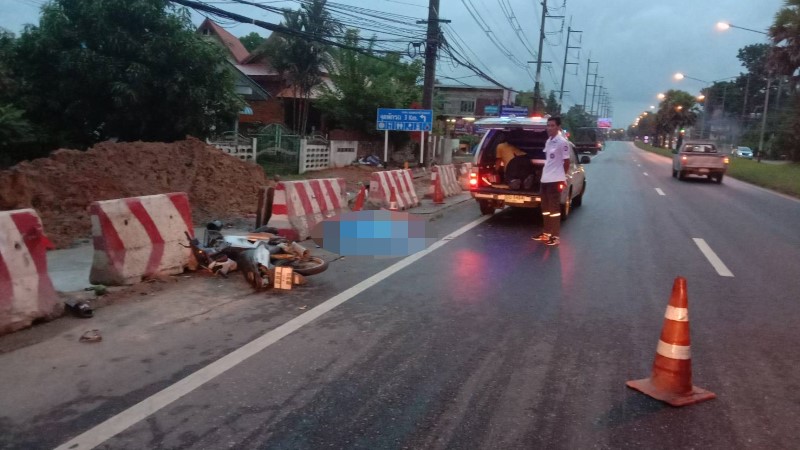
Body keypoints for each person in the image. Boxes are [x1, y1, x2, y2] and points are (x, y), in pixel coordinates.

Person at [532, 116, 570, 247]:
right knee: (545, 209)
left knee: (554, 210)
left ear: (558, 127)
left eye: (552, 125)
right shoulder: (548, 141)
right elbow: (549, 161)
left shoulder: (562, 142)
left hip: (555, 180)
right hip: (545, 179)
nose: (549, 128)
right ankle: (546, 233)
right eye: (548, 125)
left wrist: (562, 177)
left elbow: (566, 162)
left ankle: (555, 236)